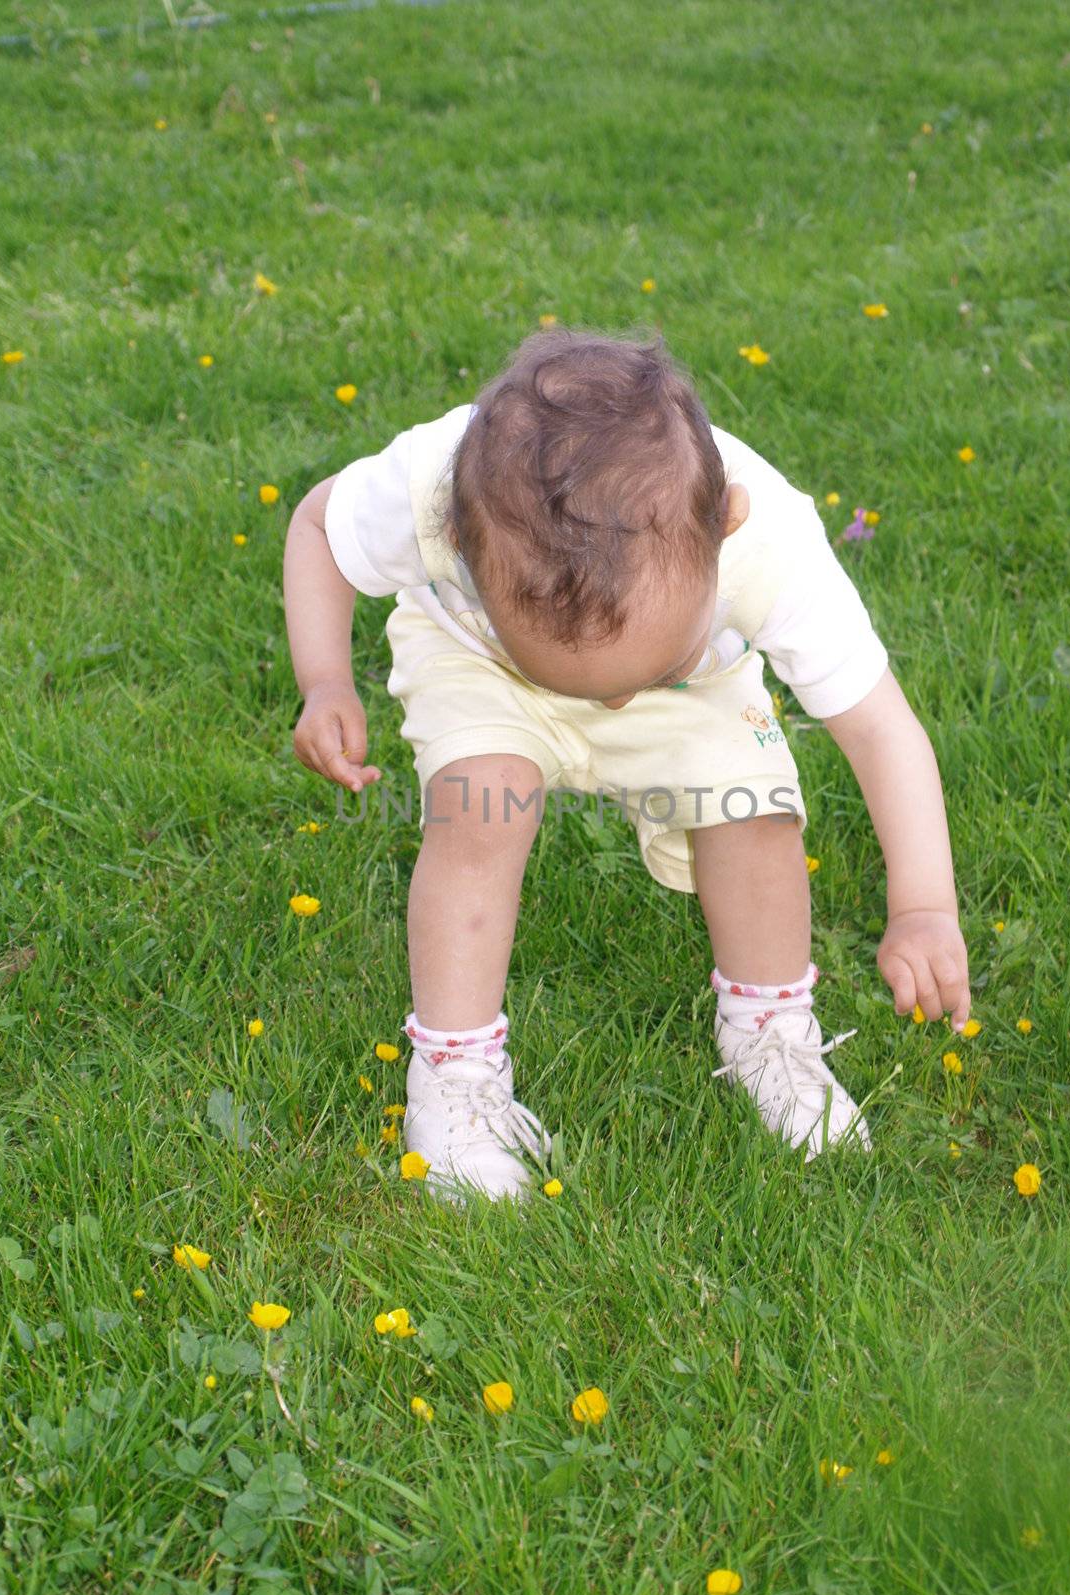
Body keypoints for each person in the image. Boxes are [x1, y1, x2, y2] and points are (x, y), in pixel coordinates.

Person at [282, 327, 971, 1200]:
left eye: (637, 675)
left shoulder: (772, 546)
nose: (609, 709)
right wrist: (325, 680)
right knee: (478, 811)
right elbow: (316, 521)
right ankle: (454, 1079)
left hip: (701, 682)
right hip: (483, 666)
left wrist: (922, 906)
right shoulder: (431, 489)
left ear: (724, 531)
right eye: (582, 683)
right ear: (461, 542)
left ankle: (771, 1031)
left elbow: (884, 732)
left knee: (753, 814)